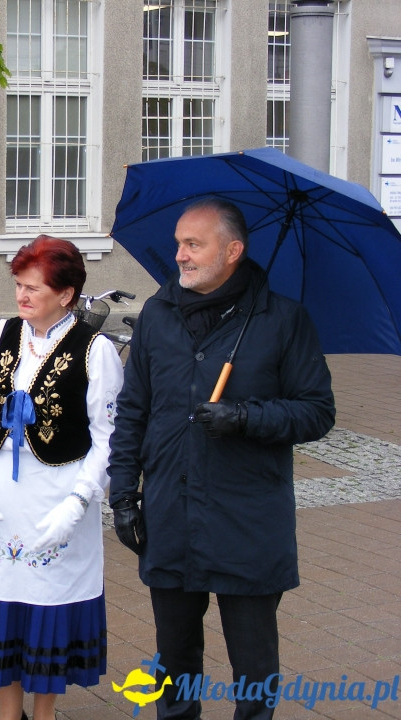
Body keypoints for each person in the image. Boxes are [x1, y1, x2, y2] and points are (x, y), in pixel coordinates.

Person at [108, 198, 336, 720]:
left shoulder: (282, 320)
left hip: (247, 518)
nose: (180, 255)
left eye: (194, 244)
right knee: (175, 656)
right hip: (170, 510)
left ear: (232, 250)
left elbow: (317, 412)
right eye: (178, 243)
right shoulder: (157, 316)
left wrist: (246, 417)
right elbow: (132, 412)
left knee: (253, 664)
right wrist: (123, 495)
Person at [0, 234, 124, 720]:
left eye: (34, 289)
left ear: (65, 295)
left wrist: (80, 500)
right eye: (19, 285)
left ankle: (42, 713)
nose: (22, 296)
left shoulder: (95, 351)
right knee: (4, 600)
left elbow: (108, 435)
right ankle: (8, 713)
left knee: (49, 605)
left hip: (59, 495)